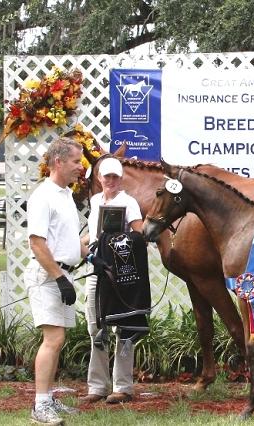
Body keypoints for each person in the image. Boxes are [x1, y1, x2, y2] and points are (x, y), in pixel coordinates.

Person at [24, 136, 94, 425]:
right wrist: (58, 278)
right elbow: (38, 243)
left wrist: (88, 253)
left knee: (58, 339)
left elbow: (65, 241)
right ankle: (40, 406)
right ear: (58, 162)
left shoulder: (65, 194)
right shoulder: (43, 196)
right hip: (47, 276)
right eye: (77, 161)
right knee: (53, 339)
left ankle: (48, 398)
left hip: (61, 273)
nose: (82, 167)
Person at [79, 156, 143, 404]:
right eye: (107, 176)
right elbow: (94, 234)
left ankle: (123, 386)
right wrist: (80, 246)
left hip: (120, 272)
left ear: (121, 178)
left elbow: (138, 235)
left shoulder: (129, 202)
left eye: (115, 177)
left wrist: (119, 242)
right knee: (95, 327)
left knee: (123, 326)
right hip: (97, 268)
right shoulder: (95, 201)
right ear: (99, 178)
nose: (111, 181)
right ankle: (97, 386)